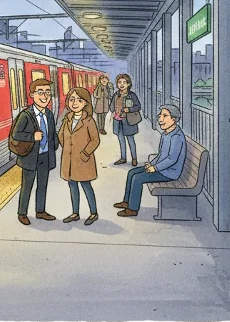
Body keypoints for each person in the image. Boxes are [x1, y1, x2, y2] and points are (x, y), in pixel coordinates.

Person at [116, 105, 187, 217]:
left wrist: (155, 168)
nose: (160, 119)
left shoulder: (177, 137)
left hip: (169, 173)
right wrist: (152, 163)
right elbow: (161, 155)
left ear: (174, 119)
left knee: (137, 178)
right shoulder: (166, 134)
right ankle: (127, 201)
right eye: (160, 116)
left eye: (165, 116)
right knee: (132, 172)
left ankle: (133, 209)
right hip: (162, 168)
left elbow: (171, 159)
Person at [10, 78, 58, 225]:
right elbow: (15, 134)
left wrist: (54, 145)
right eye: (41, 93)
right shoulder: (26, 115)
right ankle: (22, 213)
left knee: (42, 184)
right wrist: (32, 137)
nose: (45, 96)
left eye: (48, 93)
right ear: (32, 95)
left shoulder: (49, 114)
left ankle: (40, 211)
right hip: (30, 157)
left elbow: (52, 133)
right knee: (27, 185)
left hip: (45, 155)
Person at [57, 87, 101, 225]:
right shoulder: (67, 118)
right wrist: (68, 148)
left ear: (85, 103)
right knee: (72, 185)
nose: (75, 103)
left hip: (83, 160)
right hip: (69, 160)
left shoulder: (88, 121)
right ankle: (75, 213)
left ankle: (93, 213)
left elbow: (95, 140)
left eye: (79, 100)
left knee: (86, 185)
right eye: (71, 99)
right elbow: (61, 135)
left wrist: (85, 153)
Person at [110, 73, 142, 166]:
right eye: (119, 82)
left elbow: (138, 106)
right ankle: (123, 158)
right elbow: (112, 105)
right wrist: (113, 110)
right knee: (121, 140)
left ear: (128, 84)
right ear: (117, 84)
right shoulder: (116, 94)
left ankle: (134, 158)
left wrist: (129, 109)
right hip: (117, 120)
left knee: (130, 139)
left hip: (128, 121)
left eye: (124, 82)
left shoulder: (132, 95)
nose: (122, 84)